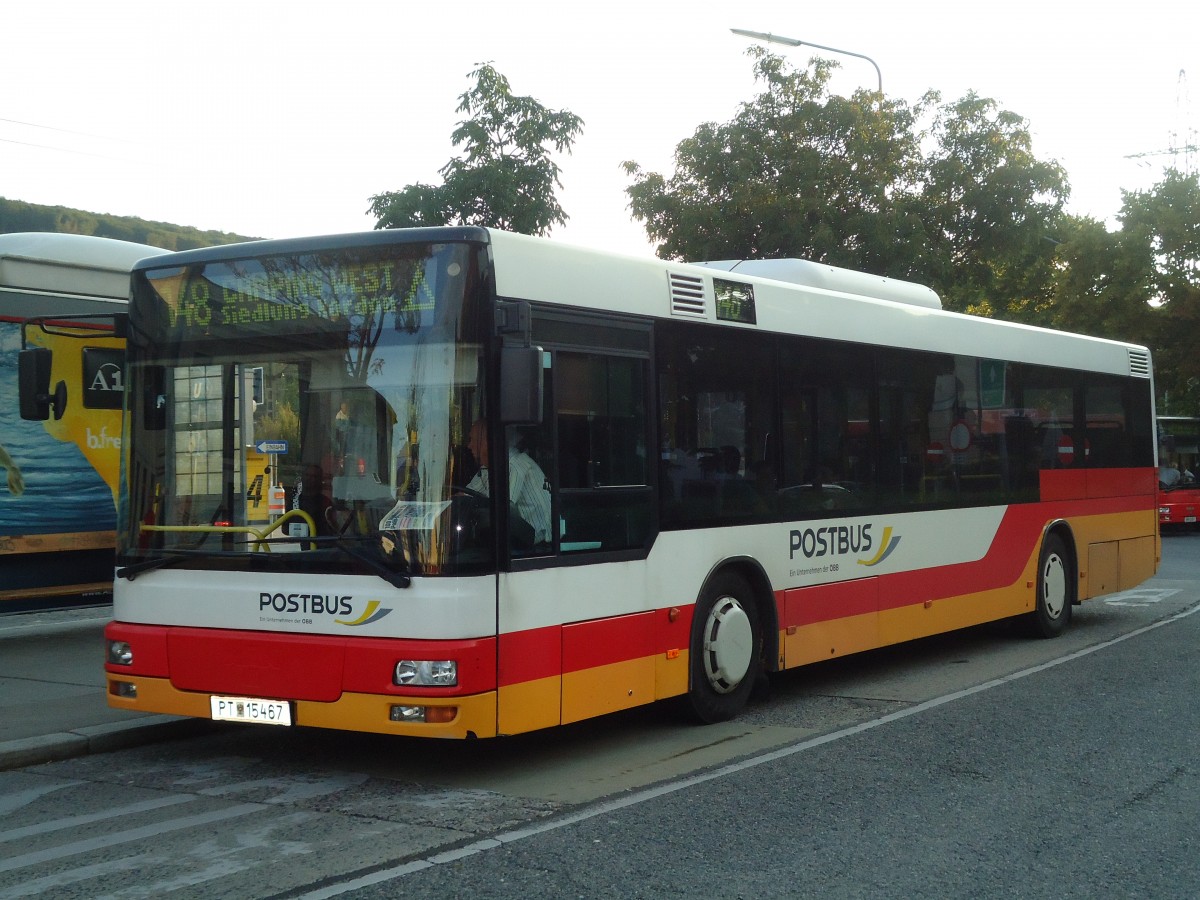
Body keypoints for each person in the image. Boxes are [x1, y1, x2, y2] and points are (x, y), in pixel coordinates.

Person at [466, 420, 552, 545]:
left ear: (487, 441)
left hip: (538, 546)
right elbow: (466, 495)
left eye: (472, 440)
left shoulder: (513, 464)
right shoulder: (487, 468)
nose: (469, 446)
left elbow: (503, 508)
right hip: (516, 541)